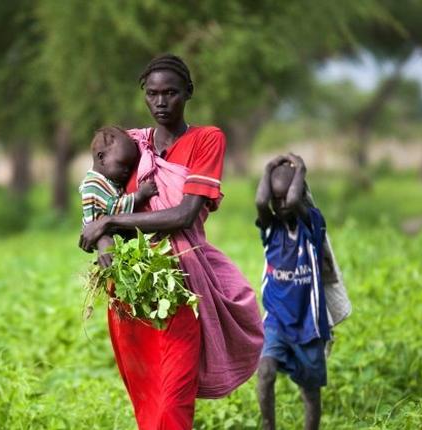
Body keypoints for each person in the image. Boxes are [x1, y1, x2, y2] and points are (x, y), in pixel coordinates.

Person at [78, 54, 263, 430]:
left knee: (174, 394)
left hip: (180, 285)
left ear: (188, 93)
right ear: (144, 96)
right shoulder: (130, 144)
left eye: (171, 93)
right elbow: (96, 195)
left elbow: (184, 214)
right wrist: (101, 239)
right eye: (152, 94)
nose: (161, 103)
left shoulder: (206, 140)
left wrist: (110, 221)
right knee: (147, 396)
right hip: (132, 284)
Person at [253, 153, 331, 430]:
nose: (282, 203)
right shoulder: (270, 230)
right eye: (277, 199)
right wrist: (268, 167)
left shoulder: (312, 226)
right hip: (276, 321)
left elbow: (297, 200)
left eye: (285, 196)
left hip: (308, 324)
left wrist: (302, 168)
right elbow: (261, 201)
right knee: (265, 373)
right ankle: (268, 426)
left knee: (310, 392)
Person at [79, 126, 158, 266]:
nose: (127, 171)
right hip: (102, 235)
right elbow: (115, 208)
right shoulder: (94, 184)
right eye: (122, 165)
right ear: (101, 158)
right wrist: (140, 195)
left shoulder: (108, 180)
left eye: (130, 166)